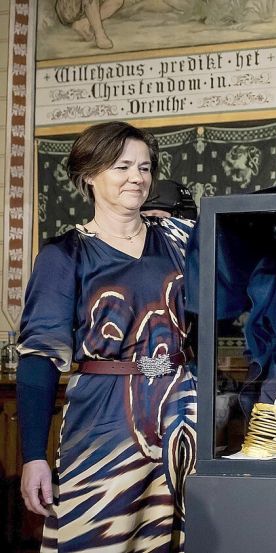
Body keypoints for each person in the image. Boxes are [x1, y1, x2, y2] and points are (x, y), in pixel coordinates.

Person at [16, 121, 197, 552]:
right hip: (103, 421)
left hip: (179, 415)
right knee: (99, 539)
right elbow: (39, 358)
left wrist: (184, 219)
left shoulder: (177, 239)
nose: (137, 177)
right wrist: (33, 456)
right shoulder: (65, 255)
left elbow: (231, 261)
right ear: (89, 176)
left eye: (145, 167)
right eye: (122, 167)